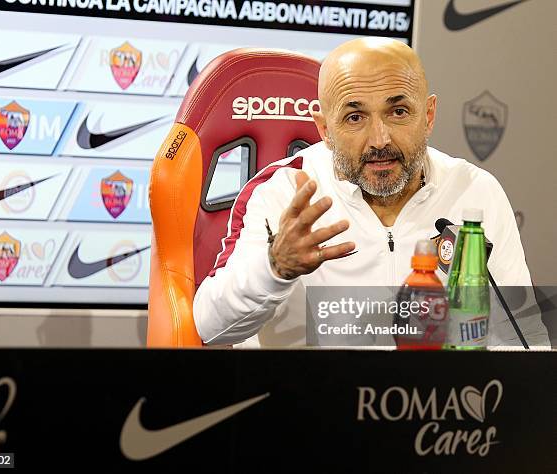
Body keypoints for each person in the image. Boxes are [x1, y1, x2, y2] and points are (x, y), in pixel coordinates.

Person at [193, 37, 550, 348]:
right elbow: (211, 327)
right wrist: (273, 268)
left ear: (427, 116)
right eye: (355, 117)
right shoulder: (282, 191)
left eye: (398, 112)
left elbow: (520, 337)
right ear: (324, 129)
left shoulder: (475, 192)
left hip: (429, 412)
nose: (379, 140)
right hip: (307, 411)